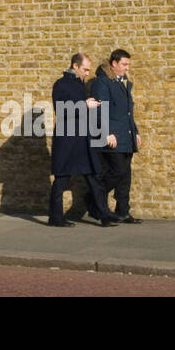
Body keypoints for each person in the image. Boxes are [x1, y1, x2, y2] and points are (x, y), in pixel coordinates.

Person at [48, 54, 117, 227]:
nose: (87, 73)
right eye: (85, 69)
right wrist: (84, 104)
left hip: (83, 140)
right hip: (68, 141)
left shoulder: (80, 84)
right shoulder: (61, 84)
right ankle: (55, 218)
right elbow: (61, 109)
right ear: (75, 66)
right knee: (61, 180)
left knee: (94, 177)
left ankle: (104, 215)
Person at [93, 48, 143, 224]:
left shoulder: (123, 83)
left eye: (128, 64)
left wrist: (135, 132)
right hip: (112, 137)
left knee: (125, 176)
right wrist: (106, 133)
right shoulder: (103, 82)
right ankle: (94, 198)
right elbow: (100, 110)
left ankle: (122, 211)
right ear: (114, 64)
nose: (127, 68)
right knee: (118, 171)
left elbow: (128, 113)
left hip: (126, 135)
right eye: (124, 64)